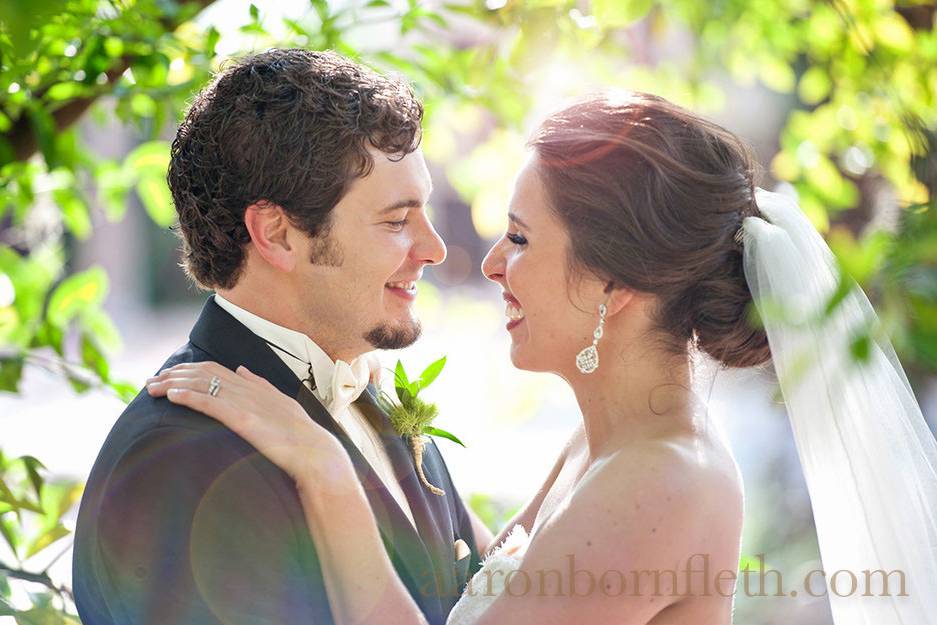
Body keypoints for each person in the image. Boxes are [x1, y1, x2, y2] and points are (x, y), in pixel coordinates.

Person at [149, 91, 937, 625]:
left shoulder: (663, 480)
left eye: (521, 239)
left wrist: (325, 472)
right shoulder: (605, 444)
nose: (489, 263)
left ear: (612, 282)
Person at [72, 48, 492, 625]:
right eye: (397, 220)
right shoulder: (182, 460)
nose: (435, 249)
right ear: (277, 234)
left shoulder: (371, 391)